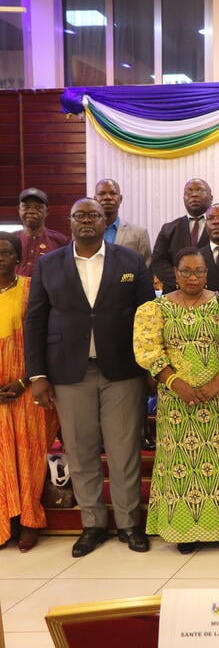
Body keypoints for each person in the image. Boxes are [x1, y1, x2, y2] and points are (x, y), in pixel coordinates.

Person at [25, 198, 154, 558]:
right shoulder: (49, 264)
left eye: (93, 215)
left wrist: (150, 368)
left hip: (123, 370)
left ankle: (129, 523)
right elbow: (34, 320)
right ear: (69, 221)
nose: (86, 221)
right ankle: (93, 524)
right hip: (68, 372)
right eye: (79, 215)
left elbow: (148, 317)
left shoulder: (129, 260)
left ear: (104, 220)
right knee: (80, 451)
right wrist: (37, 374)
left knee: (124, 448)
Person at [133, 248, 219, 553]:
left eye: (199, 271)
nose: (193, 277)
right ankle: (184, 531)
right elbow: (148, 352)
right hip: (175, 401)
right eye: (186, 271)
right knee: (180, 464)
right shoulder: (154, 309)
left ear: (207, 273)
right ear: (174, 273)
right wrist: (175, 382)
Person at [0, 232, 59, 552]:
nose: (0, 258)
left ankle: (28, 521)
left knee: (29, 456)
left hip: (27, 387)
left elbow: (44, 336)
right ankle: (3, 520)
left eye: (6, 253)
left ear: (17, 257)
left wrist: (25, 379)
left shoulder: (29, 289)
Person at [150, 178, 213, 292]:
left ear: (211, 198)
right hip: (175, 293)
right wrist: (182, 280)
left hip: (213, 293)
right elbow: (158, 261)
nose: (194, 195)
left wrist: (202, 280)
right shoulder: (168, 229)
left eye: (200, 190)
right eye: (188, 192)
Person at [95, 178, 153, 266]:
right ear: (95, 199)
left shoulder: (139, 233)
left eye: (113, 193)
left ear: (120, 199)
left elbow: (146, 268)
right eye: (102, 194)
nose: (107, 197)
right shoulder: (84, 233)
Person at [15, 188, 69, 277]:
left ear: (47, 211)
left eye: (38, 207)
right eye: (26, 207)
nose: (31, 211)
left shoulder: (61, 241)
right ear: (19, 209)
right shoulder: (10, 241)